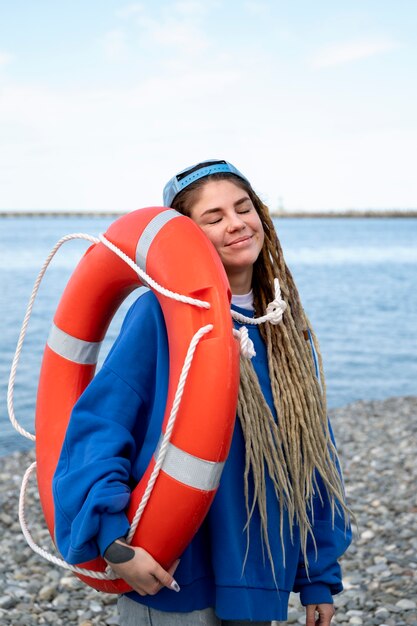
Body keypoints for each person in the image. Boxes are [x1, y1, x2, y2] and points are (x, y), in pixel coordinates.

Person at [53, 159, 352, 626]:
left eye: (243, 208)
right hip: (174, 579)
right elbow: (100, 426)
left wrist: (318, 575)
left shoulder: (285, 328)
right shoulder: (159, 317)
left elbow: (312, 456)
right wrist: (113, 540)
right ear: (188, 236)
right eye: (213, 218)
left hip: (257, 579)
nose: (236, 224)